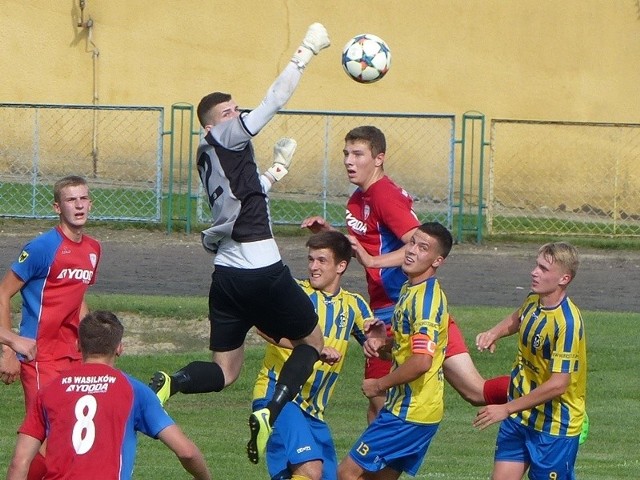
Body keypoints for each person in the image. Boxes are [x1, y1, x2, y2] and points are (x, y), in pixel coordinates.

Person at [148, 22, 332, 465]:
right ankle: (272, 408)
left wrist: (279, 168)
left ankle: (173, 383)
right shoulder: (225, 135)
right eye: (231, 110)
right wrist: (305, 52)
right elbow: (275, 100)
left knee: (227, 371)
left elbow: (248, 194)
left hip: (226, 276)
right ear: (216, 122)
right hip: (261, 269)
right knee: (311, 341)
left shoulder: (208, 153)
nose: (239, 113)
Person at [301, 126, 508, 423]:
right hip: (399, 306)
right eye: (346, 154)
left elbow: (418, 241)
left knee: (377, 399)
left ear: (378, 158)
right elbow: (367, 247)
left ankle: (366, 468)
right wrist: (331, 234)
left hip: (404, 309)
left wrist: (373, 262)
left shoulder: (384, 195)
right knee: (475, 392)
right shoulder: (358, 200)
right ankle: (542, 392)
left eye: (358, 154)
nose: (349, 161)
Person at [6, 310, 211, 480]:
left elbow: (19, 463)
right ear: (119, 348)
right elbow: (187, 452)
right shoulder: (134, 390)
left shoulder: (50, 390)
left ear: (78, 345)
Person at [0, 175, 101, 479]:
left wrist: (96, 338)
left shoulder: (93, 249)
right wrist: (8, 348)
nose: (79, 205)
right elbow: (3, 292)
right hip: (39, 357)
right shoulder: (43, 247)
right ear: (57, 207)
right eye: (71, 200)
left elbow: (77, 298)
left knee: (67, 432)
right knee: (47, 432)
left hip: (71, 355)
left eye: (83, 199)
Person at [253, 230, 375, 480]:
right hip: (278, 397)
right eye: (310, 260)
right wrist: (313, 349)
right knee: (311, 470)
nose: (313, 267)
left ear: (341, 266)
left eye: (321, 261)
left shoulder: (354, 304)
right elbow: (261, 325)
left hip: (315, 412)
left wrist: (383, 341)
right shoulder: (295, 292)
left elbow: (375, 344)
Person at [337, 222, 452, 479]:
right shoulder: (410, 289)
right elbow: (408, 350)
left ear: (437, 261)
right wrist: (383, 345)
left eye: (423, 248)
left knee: (347, 473)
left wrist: (379, 386)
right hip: (414, 410)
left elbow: (422, 361)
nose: (412, 251)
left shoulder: (425, 301)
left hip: (410, 413)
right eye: (412, 243)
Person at [474, 242, 587, 480]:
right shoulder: (533, 300)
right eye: (536, 265)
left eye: (544, 269)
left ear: (564, 278)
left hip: (554, 427)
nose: (534, 272)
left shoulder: (567, 323)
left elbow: (559, 384)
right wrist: (495, 332)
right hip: (520, 416)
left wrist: (505, 408)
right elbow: (519, 317)